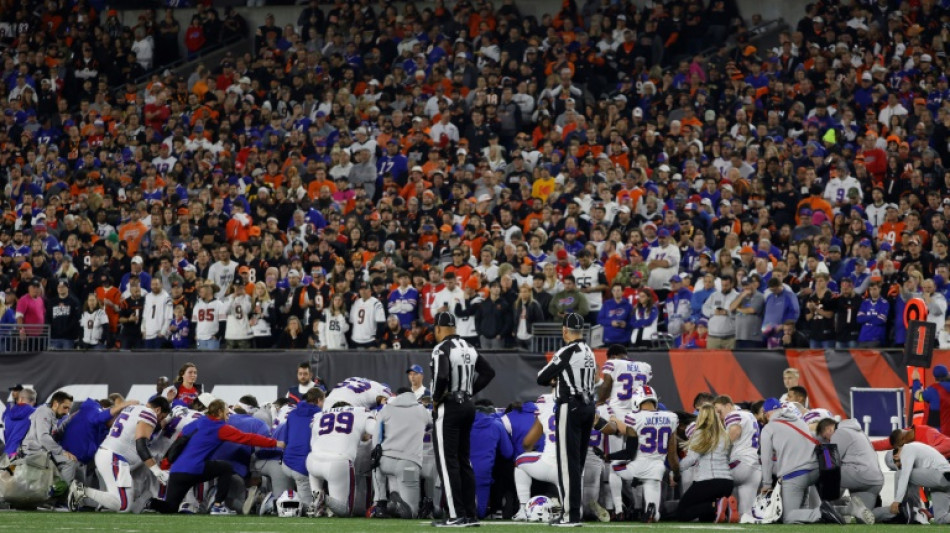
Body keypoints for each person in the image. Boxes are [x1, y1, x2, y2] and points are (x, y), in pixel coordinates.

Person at [147, 399, 283, 514]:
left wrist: (167, 464)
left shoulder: (197, 423)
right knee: (226, 467)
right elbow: (247, 438)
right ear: (218, 412)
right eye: (226, 411)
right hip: (194, 469)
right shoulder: (220, 427)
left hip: (177, 470)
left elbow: (179, 442)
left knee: (170, 507)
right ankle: (218, 506)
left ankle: (149, 503)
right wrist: (275, 442)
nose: (228, 413)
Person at [430, 311, 496, 527]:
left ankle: (455, 514)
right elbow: (488, 372)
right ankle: (470, 513)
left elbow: (441, 376)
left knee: (448, 463)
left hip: (449, 407)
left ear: (438, 329)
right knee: (463, 461)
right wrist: (468, 391)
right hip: (468, 405)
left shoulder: (442, 348)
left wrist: (436, 399)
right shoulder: (469, 347)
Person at [536, 313, 597, 526]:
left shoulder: (567, 350)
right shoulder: (589, 351)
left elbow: (541, 377)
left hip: (570, 406)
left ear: (564, 330)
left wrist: (557, 376)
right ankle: (574, 511)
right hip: (589, 406)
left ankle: (570, 514)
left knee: (567, 463)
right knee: (577, 463)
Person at [67, 397, 171, 513]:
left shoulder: (133, 408)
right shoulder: (150, 413)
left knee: (125, 502)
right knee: (123, 505)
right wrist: (157, 471)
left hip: (109, 454)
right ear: (157, 410)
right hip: (114, 457)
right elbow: (141, 446)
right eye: (161, 417)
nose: (159, 421)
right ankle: (82, 492)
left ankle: (88, 499)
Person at [758, 398, 843, 524]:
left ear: (767, 413)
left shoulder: (768, 428)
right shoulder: (799, 421)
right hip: (816, 470)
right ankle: (825, 511)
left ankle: (820, 512)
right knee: (800, 511)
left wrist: (766, 484)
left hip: (795, 474)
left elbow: (766, 459)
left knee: (788, 516)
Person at [610, 386, 679, 523]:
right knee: (655, 516)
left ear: (637, 401)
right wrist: (675, 473)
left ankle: (619, 509)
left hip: (637, 466)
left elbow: (626, 440)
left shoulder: (634, 417)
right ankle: (651, 510)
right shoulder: (671, 417)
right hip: (656, 469)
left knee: (614, 466)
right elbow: (672, 454)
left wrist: (614, 419)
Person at [306, 400, 377, 517]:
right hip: (337, 461)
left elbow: (313, 442)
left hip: (312, 461)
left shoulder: (319, 415)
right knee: (345, 510)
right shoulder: (360, 412)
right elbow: (376, 430)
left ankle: (319, 504)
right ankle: (323, 498)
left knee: (324, 502)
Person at [371, 387, 430, 518]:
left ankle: (381, 503)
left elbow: (376, 437)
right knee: (412, 513)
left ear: (397, 396)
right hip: (408, 464)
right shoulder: (422, 411)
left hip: (386, 461)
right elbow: (433, 423)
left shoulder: (386, 409)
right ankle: (400, 505)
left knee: (376, 466)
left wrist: (376, 453)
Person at [675, 404, 737, 523]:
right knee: (706, 518)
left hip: (709, 481)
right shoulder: (724, 434)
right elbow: (728, 457)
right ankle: (721, 508)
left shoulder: (701, 433)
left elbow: (692, 458)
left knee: (682, 513)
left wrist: (676, 470)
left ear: (701, 417)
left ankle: (716, 505)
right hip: (727, 483)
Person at [815, 418, 879, 524]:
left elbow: (830, 462)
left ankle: (827, 509)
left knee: (824, 474)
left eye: (825, 437)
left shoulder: (839, 433)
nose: (827, 440)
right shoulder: (858, 431)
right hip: (875, 480)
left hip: (857, 474)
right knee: (864, 515)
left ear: (828, 429)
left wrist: (820, 453)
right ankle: (895, 511)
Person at [274, 387, 324, 513]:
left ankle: (275, 499)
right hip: (301, 467)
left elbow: (285, 441)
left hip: (286, 463)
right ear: (319, 400)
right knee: (308, 510)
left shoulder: (292, 414)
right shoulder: (320, 415)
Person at [712, 395, 762, 516]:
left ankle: (712, 508)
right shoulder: (749, 415)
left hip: (740, 464)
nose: (719, 416)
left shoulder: (732, 414)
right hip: (755, 467)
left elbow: (735, 431)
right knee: (745, 514)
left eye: (719, 411)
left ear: (729, 406)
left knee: (709, 478)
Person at [468, 399, 514, 519]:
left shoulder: (463, 423)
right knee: (480, 514)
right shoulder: (497, 425)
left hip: (462, 470)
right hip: (484, 473)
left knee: (459, 511)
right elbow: (508, 453)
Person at [884, 441, 950, 524]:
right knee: (941, 519)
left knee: (900, 474)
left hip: (941, 475)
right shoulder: (915, 449)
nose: (901, 467)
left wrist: (897, 501)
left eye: (899, 466)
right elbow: (925, 477)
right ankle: (916, 513)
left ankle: (904, 514)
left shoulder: (907, 449)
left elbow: (904, 476)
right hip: (943, 480)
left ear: (895, 456)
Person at [22, 391, 76, 482]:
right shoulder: (44, 412)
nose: (67, 412)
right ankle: (63, 493)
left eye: (69, 409)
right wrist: (61, 451)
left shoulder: (51, 414)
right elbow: (43, 437)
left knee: (73, 459)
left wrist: (69, 420)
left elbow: (55, 436)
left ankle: (59, 490)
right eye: (65, 407)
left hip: (42, 451)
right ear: (55, 404)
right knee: (70, 462)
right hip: (34, 453)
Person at [350, 282, 386, 348]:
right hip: (355, 339)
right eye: (361, 289)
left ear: (370, 291)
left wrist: (377, 338)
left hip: (370, 340)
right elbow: (352, 322)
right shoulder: (355, 303)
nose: (363, 291)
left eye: (365, 289)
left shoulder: (376, 303)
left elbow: (381, 323)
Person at [3, 386, 36, 459]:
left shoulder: (8, 412)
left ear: (20, 398)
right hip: (20, 456)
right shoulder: (34, 412)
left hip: (7, 454)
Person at [192, 283, 226, 350]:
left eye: (202, 292)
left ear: (208, 292)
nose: (200, 294)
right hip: (200, 337)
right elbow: (194, 322)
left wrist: (218, 335)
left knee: (212, 359)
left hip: (212, 338)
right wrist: (194, 334)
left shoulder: (219, 304)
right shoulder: (198, 304)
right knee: (201, 359)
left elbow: (223, 323)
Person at [142, 278, 173, 349]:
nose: (155, 286)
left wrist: (163, 332)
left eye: (156, 284)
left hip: (159, 334)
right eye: (153, 284)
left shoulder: (167, 297)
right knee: (148, 358)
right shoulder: (148, 297)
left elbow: (168, 317)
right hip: (148, 334)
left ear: (161, 285)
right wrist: (143, 329)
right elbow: (145, 315)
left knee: (158, 358)